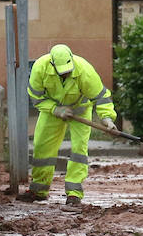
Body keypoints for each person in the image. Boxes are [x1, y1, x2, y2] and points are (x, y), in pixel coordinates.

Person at [20, 44, 117, 207]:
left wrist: (107, 118)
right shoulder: (40, 68)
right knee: (42, 147)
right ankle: (38, 190)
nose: (66, 73)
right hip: (52, 112)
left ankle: (74, 194)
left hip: (81, 110)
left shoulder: (84, 69)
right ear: (52, 65)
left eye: (68, 70)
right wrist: (55, 109)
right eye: (62, 71)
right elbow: (35, 98)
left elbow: (100, 96)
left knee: (79, 150)